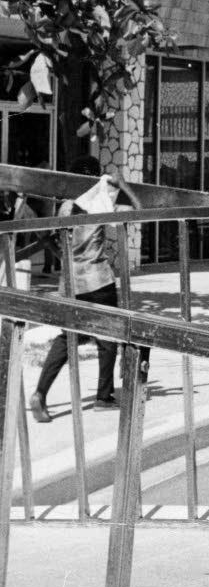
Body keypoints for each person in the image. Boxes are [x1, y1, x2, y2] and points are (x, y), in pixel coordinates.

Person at [29, 155, 120, 423]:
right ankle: (103, 397)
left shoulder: (65, 207)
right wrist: (110, 181)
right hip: (98, 279)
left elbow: (56, 241)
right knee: (108, 339)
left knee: (67, 339)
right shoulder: (99, 202)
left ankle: (40, 393)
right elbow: (121, 188)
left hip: (69, 282)